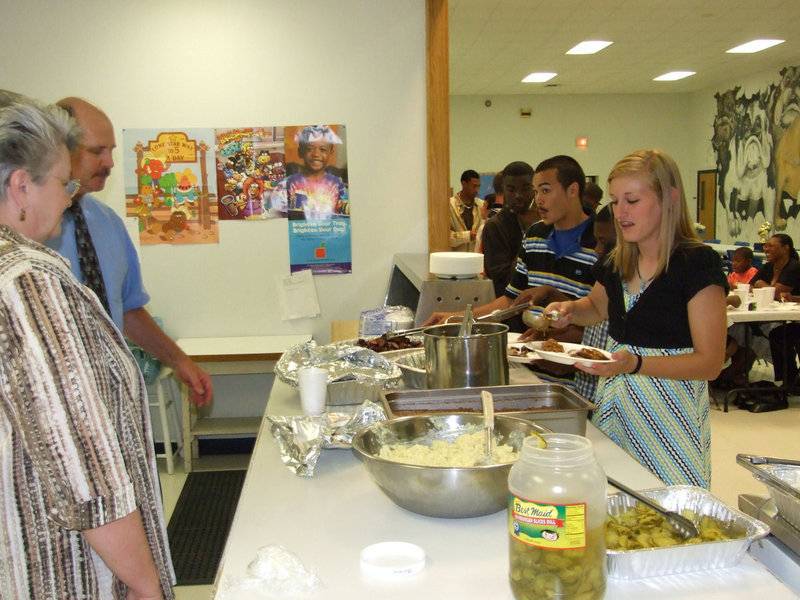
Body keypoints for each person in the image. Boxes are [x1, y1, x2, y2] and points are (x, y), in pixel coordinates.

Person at [0, 100, 174, 598]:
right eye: (61, 181)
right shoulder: (27, 281)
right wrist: (146, 584)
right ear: (21, 188)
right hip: (67, 566)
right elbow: (83, 469)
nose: (70, 193)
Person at [543, 149, 727, 487]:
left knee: (668, 504)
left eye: (632, 200)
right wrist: (570, 310)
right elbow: (597, 308)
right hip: (615, 403)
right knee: (614, 498)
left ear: (669, 198)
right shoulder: (618, 259)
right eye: (615, 202)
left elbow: (710, 362)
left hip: (670, 412)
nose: (620, 213)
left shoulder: (696, 264)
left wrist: (636, 364)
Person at [45, 97, 212, 407]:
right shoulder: (30, 229)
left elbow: (127, 309)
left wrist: (178, 361)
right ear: (60, 149)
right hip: (51, 399)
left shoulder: (107, 223)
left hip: (109, 392)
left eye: (111, 151)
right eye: (97, 151)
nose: (109, 163)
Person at [427, 155, 597, 387]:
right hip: (535, 375)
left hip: (581, 379)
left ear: (573, 190)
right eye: (536, 192)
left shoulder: (601, 242)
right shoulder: (536, 235)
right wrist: (456, 318)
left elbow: (599, 322)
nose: (538, 200)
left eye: (545, 191)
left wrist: (553, 339)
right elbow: (512, 300)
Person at [573, 204, 616, 402]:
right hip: (589, 390)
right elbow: (595, 307)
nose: (598, 249)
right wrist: (568, 310)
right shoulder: (610, 267)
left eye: (604, 242)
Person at [481, 161, 540, 299]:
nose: (518, 195)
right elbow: (505, 282)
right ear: (503, 189)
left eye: (525, 189)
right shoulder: (495, 227)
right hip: (509, 311)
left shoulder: (545, 222)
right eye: (511, 189)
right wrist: (529, 232)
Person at [753, 234, 800, 394]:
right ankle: (790, 379)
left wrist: (762, 286)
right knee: (776, 333)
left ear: (786, 248)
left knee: (778, 333)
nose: (766, 249)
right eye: (765, 245)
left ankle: (790, 379)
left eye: (771, 245)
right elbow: (751, 286)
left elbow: (778, 292)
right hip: (784, 315)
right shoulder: (768, 267)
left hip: (794, 318)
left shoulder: (794, 267)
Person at [282, 125, 348, 220]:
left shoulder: (337, 185)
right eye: (310, 149)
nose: (316, 154)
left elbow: (344, 213)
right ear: (300, 152)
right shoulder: (289, 183)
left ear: (331, 153)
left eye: (323, 149)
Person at [449, 169, 483, 251]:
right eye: (474, 186)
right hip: (456, 259)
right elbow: (444, 237)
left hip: (475, 259)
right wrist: (467, 236)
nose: (476, 190)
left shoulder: (481, 205)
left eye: (478, 186)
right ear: (464, 184)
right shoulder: (449, 205)